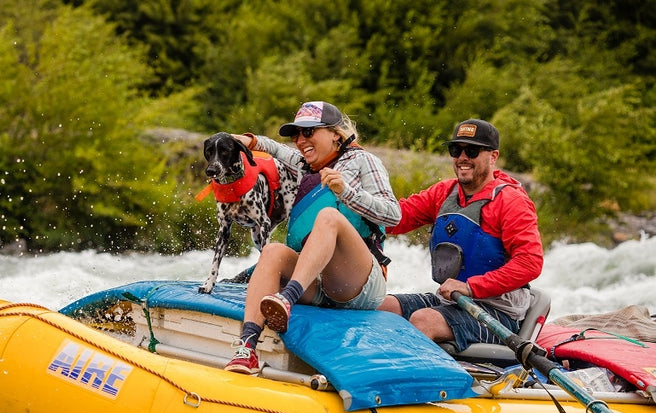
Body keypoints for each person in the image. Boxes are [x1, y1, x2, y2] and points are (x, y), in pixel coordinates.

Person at [224, 101, 401, 374]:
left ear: (335, 134)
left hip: (359, 284)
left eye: (309, 132)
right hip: (317, 284)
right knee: (272, 250)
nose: (300, 141)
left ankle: (287, 298)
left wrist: (347, 193)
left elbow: (393, 214)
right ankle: (247, 348)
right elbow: (274, 148)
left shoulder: (365, 161)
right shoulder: (305, 164)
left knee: (328, 216)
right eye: (296, 135)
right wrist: (249, 140)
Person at [378, 118, 544, 352]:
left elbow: (530, 263)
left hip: (499, 315)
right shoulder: (444, 192)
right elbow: (396, 217)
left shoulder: (512, 202)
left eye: (472, 151)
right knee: (380, 306)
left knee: (423, 320)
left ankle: (408, 384)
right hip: (451, 301)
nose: (462, 157)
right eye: (456, 150)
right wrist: (353, 216)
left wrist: (472, 287)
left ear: (493, 156)